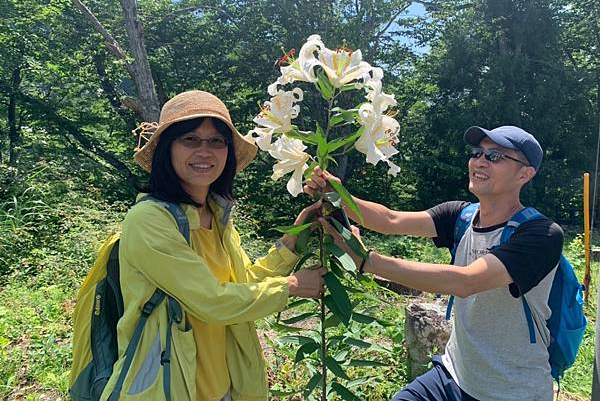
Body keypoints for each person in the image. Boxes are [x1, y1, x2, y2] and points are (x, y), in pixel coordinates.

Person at [305, 125, 563, 401]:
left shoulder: (542, 235)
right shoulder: (460, 215)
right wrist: (339, 196)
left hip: (512, 391)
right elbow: (390, 221)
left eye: (495, 156)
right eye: (477, 152)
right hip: (452, 375)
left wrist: (368, 261)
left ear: (525, 174)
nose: (479, 161)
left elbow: (466, 281)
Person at [103, 90, 325, 401]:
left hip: (223, 385)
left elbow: (242, 283)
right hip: (166, 388)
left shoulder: (215, 214)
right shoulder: (148, 220)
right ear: (167, 149)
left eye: (216, 141)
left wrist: (295, 237)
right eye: (190, 139)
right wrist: (291, 286)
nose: (205, 151)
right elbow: (212, 300)